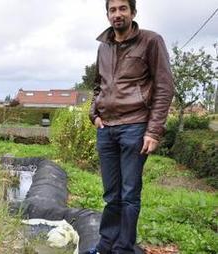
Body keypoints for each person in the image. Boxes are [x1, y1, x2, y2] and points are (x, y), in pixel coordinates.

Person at [87, 0, 174, 253]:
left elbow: (164, 87)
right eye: (112, 10)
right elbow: (97, 85)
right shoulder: (103, 47)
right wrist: (94, 114)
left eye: (122, 9)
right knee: (111, 194)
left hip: (135, 126)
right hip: (106, 129)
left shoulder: (151, 41)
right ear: (107, 14)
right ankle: (105, 245)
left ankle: (123, 248)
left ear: (133, 12)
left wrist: (153, 130)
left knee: (129, 194)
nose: (117, 14)